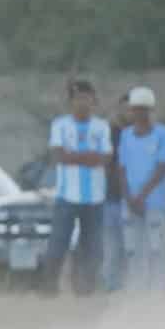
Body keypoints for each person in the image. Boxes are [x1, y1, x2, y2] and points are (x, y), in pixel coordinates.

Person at [39, 80, 113, 296]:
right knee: (59, 243)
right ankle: (49, 289)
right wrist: (89, 157)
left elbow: (106, 158)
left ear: (94, 101)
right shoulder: (60, 125)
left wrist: (74, 156)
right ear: (70, 102)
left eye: (87, 98)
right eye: (78, 98)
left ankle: (85, 289)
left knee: (93, 246)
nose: (82, 103)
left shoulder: (101, 126)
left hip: (95, 197)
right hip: (67, 196)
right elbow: (59, 156)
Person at [113, 85, 165, 291]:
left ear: (151, 110)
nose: (140, 113)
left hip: (154, 202)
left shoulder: (163, 134)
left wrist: (141, 196)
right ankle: (136, 291)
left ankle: (157, 292)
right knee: (133, 249)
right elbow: (121, 168)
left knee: (156, 249)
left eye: (144, 109)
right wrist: (129, 198)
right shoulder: (126, 135)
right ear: (131, 111)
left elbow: (163, 168)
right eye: (136, 109)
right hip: (131, 202)